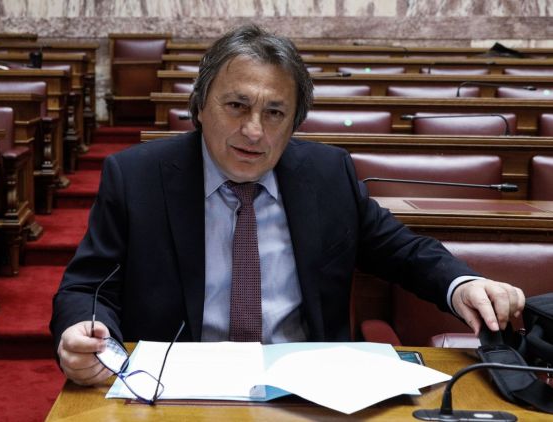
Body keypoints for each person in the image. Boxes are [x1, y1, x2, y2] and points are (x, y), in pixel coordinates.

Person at [50, 24, 525, 386]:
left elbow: (401, 250)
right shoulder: (137, 178)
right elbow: (86, 287)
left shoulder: (327, 174)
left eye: (274, 113)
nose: (254, 131)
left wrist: (461, 284)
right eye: (236, 106)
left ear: (295, 122)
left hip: (308, 387)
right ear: (200, 106)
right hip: (175, 384)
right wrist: (85, 332)